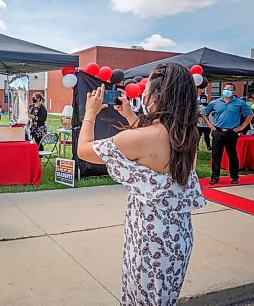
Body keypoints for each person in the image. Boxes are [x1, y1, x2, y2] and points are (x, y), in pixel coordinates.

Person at [77, 63, 206, 305]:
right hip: (177, 235)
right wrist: (129, 115)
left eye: (147, 88)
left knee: (143, 297)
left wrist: (90, 113)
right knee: (163, 297)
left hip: (150, 238)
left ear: (156, 97)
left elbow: (84, 151)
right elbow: (154, 145)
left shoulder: (142, 138)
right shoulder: (186, 134)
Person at [202, 83, 253, 184]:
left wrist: (241, 127)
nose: (227, 90)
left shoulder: (240, 103)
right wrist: (209, 124)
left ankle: (234, 177)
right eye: (226, 89)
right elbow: (204, 113)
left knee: (232, 155)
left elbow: (250, 115)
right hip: (218, 132)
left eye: (230, 89)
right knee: (216, 155)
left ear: (233, 91)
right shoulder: (215, 102)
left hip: (231, 133)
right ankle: (215, 177)